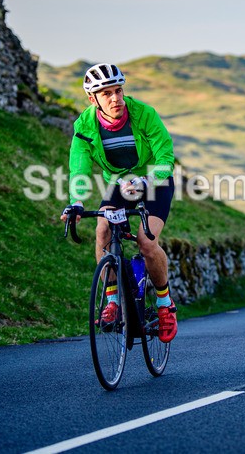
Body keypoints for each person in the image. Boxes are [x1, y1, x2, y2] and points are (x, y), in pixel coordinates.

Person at [60, 63, 178, 343]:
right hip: (120, 184)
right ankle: (112, 301)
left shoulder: (144, 114)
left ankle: (164, 305)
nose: (116, 99)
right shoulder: (85, 125)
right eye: (107, 94)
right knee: (102, 231)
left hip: (154, 182)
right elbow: (79, 167)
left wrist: (146, 182)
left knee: (147, 242)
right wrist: (76, 202)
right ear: (93, 99)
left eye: (118, 91)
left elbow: (165, 158)